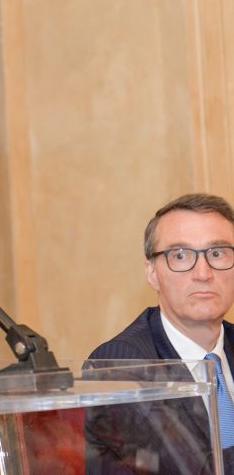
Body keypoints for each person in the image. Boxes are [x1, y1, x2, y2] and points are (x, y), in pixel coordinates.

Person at [87, 193, 234, 473]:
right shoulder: (120, 363)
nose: (203, 273)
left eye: (217, 253)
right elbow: (183, 468)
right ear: (152, 273)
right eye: (180, 256)